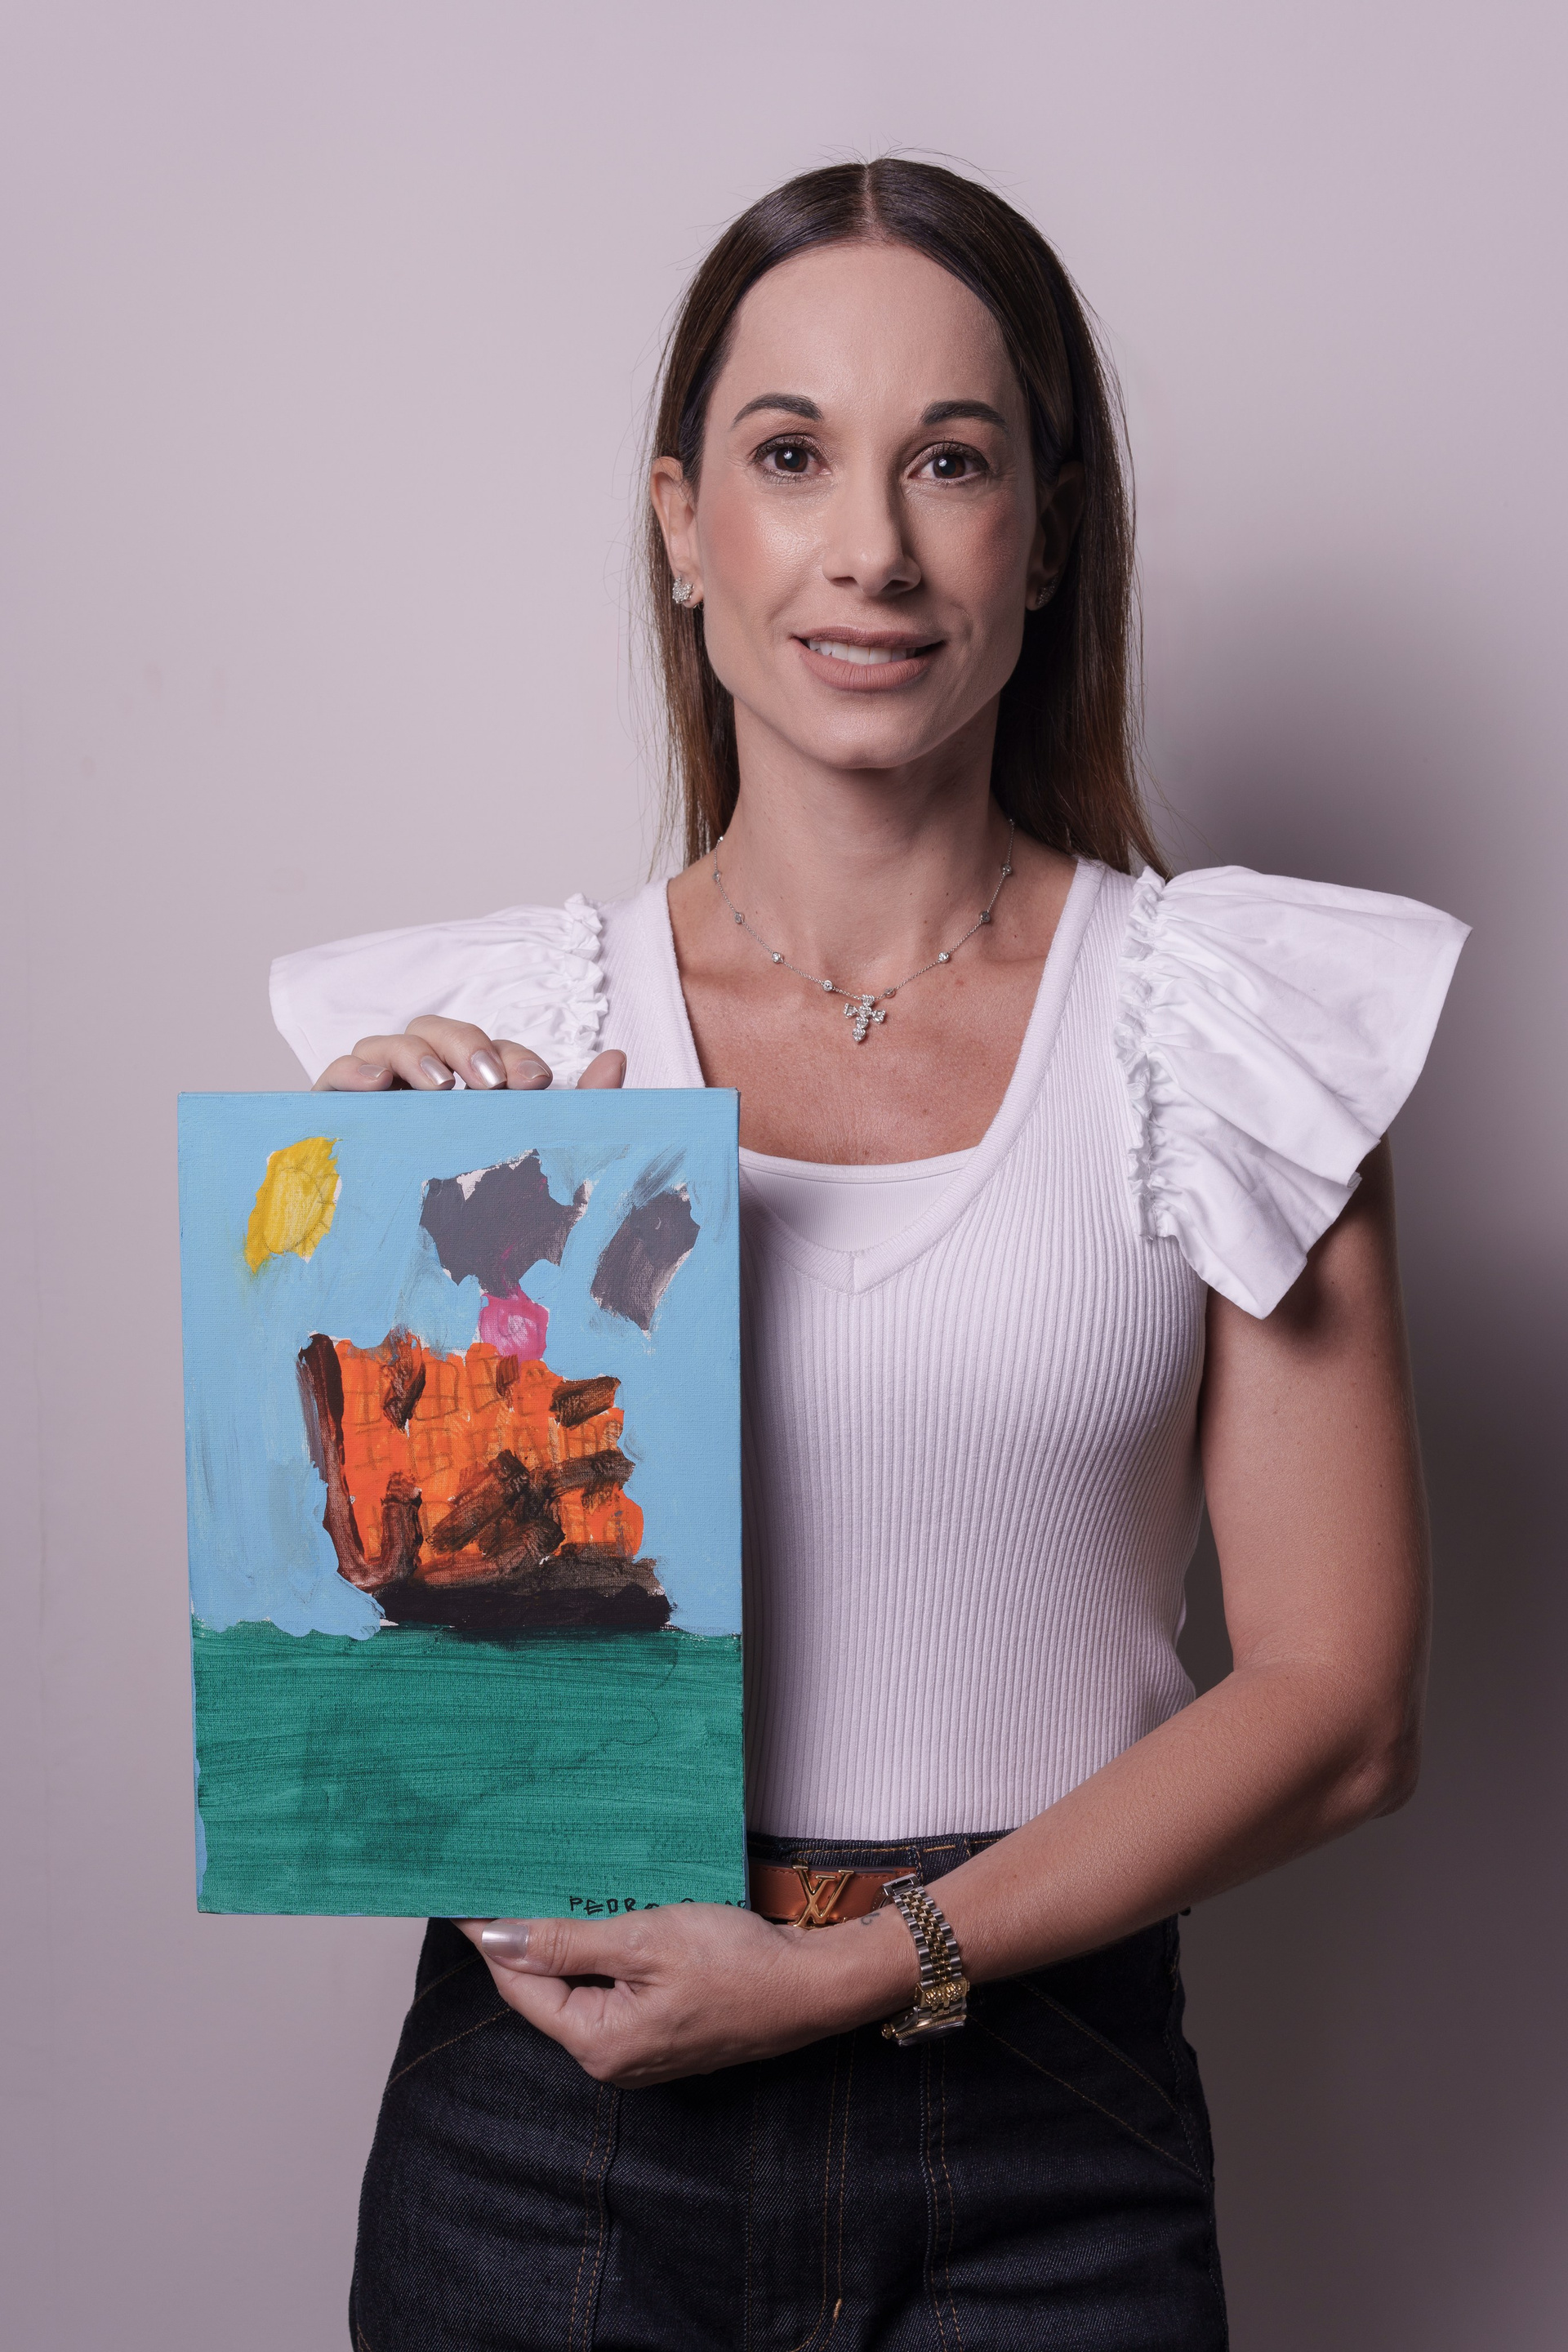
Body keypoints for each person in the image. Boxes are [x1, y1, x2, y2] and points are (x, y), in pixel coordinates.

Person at [272, 159, 1467, 2351]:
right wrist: (349, 1286)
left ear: (1050, 534)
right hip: (554, 2115)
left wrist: (853, 1971)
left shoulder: (1223, 1033)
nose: (873, 550)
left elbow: (1341, 1703)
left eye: (953, 461)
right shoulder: (501, 1050)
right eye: (792, 453)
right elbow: (382, 1718)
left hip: (1043, 2124)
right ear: (681, 523)